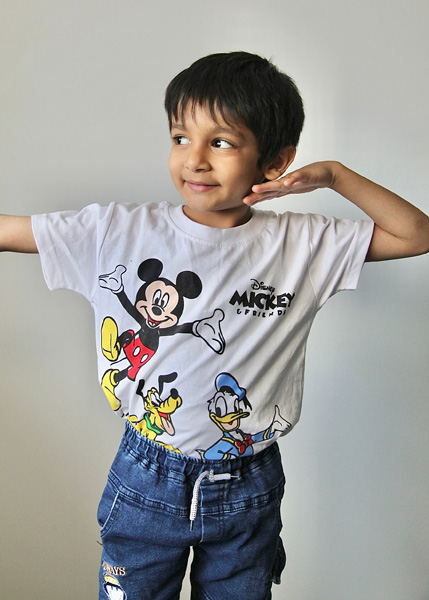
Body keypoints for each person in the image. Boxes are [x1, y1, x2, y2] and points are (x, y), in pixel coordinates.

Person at [1, 51, 428, 600]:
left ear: (275, 161)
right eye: (181, 137)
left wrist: (335, 176)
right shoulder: (116, 232)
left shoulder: (303, 244)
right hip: (147, 472)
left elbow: (416, 234)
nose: (195, 160)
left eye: (221, 142)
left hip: (249, 481)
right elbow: (9, 231)